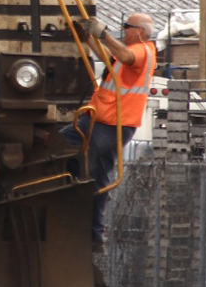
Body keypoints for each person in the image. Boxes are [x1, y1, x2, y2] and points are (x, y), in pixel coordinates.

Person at [62, 13, 157, 262]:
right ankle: (72, 200)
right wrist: (88, 37)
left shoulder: (144, 50)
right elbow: (108, 57)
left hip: (114, 126)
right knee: (58, 147)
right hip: (94, 120)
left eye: (126, 27)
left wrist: (102, 32)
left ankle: (95, 235)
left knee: (97, 176)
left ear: (139, 31)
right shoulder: (127, 54)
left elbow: (124, 55)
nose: (122, 30)